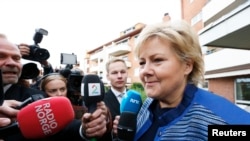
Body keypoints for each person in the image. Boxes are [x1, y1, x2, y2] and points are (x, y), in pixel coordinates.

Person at [113, 20, 250, 140]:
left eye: (158, 60)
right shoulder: (148, 104)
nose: (145, 71)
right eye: (142, 63)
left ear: (187, 65)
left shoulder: (218, 119)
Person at [0, 34, 108, 141]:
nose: (11, 63)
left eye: (16, 58)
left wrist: (85, 130)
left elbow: (64, 129)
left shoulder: (36, 98)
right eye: (1, 56)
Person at [103, 58, 128, 140]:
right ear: (108, 76)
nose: (120, 76)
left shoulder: (136, 98)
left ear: (127, 73)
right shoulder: (101, 101)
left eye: (123, 72)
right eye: (114, 73)